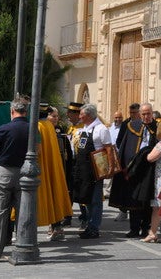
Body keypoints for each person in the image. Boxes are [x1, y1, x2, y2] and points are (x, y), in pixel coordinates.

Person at [0, 98, 29, 262]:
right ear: (26, 111)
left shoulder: (5, 128)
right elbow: (37, 150)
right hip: (25, 173)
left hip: (4, 172)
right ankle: (24, 249)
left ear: (12, 111)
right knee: (23, 212)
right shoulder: (32, 129)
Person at [110, 102, 156, 238]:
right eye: (143, 114)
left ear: (152, 113)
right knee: (133, 198)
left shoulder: (157, 127)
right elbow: (125, 146)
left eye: (148, 113)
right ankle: (134, 228)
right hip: (134, 168)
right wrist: (124, 166)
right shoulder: (132, 126)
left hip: (149, 169)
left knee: (147, 199)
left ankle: (145, 228)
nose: (146, 116)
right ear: (139, 114)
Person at [72, 104, 112, 239]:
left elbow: (109, 149)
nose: (79, 116)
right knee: (85, 198)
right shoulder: (84, 128)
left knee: (95, 200)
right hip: (83, 170)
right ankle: (90, 224)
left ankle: (94, 227)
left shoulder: (101, 129)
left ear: (88, 116)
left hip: (95, 170)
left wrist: (110, 168)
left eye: (81, 114)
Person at [37, 106, 72, 242]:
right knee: (54, 193)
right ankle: (57, 228)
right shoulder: (49, 126)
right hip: (53, 166)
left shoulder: (38, 126)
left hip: (40, 167)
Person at [64, 102, 86, 228]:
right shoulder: (71, 128)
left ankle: (84, 217)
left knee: (80, 191)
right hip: (70, 163)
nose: (67, 115)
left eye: (70, 113)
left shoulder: (83, 129)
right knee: (69, 191)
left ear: (78, 115)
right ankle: (67, 216)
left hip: (79, 163)